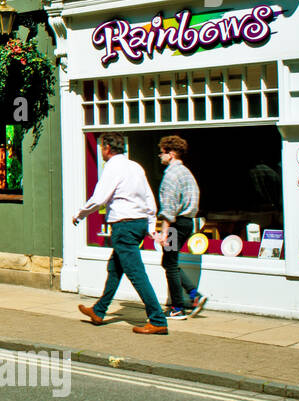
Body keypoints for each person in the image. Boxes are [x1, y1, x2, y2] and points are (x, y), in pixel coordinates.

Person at [73, 132, 168, 334]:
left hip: (124, 226)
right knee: (115, 268)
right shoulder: (135, 167)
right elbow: (150, 199)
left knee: (136, 273)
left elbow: (99, 198)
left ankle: (158, 320)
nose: (101, 151)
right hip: (139, 224)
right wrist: (150, 226)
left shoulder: (112, 167)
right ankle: (99, 311)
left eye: (101, 148)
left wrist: (80, 215)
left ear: (107, 148)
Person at [156, 135, 208, 319]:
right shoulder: (187, 172)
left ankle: (178, 307)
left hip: (176, 224)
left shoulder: (171, 175)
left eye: (162, 153)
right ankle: (194, 295)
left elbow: (169, 208)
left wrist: (164, 233)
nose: (160, 156)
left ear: (170, 154)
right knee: (169, 262)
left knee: (169, 264)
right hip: (187, 222)